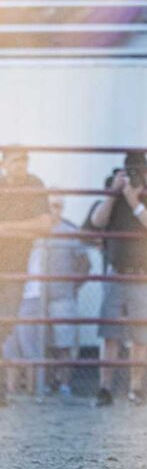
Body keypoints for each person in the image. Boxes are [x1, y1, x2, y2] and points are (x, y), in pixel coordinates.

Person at [84, 152, 147, 407]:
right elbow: (97, 221)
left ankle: (136, 388)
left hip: (145, 275)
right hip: (117, 272)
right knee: (109, 334)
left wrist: (135, 202)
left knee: (141, 336)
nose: (135, 178)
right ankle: (105, 388)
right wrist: (114, 194)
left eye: (139, 173)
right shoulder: (113, 198)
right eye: (130, 173)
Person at [10, 196, 90, 399]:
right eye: (51, 206)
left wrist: (73, 287)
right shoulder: (34, 232)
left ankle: (64, 385)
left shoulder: (70, 231)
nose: (54, 210)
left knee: (64, 343)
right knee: (37, 343)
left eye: (58, 206)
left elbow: (85, 264)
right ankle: (40, 385)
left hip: (62, 296)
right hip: (35, 295)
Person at [0, 148, 52, 407]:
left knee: (5, 323)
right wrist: (22, 229)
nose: (20, 166)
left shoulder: (34, 185)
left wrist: (5, 228)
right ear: (5, 164)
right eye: (15, 161)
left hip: (14, 267)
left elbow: (44, 225)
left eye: (24, 161)